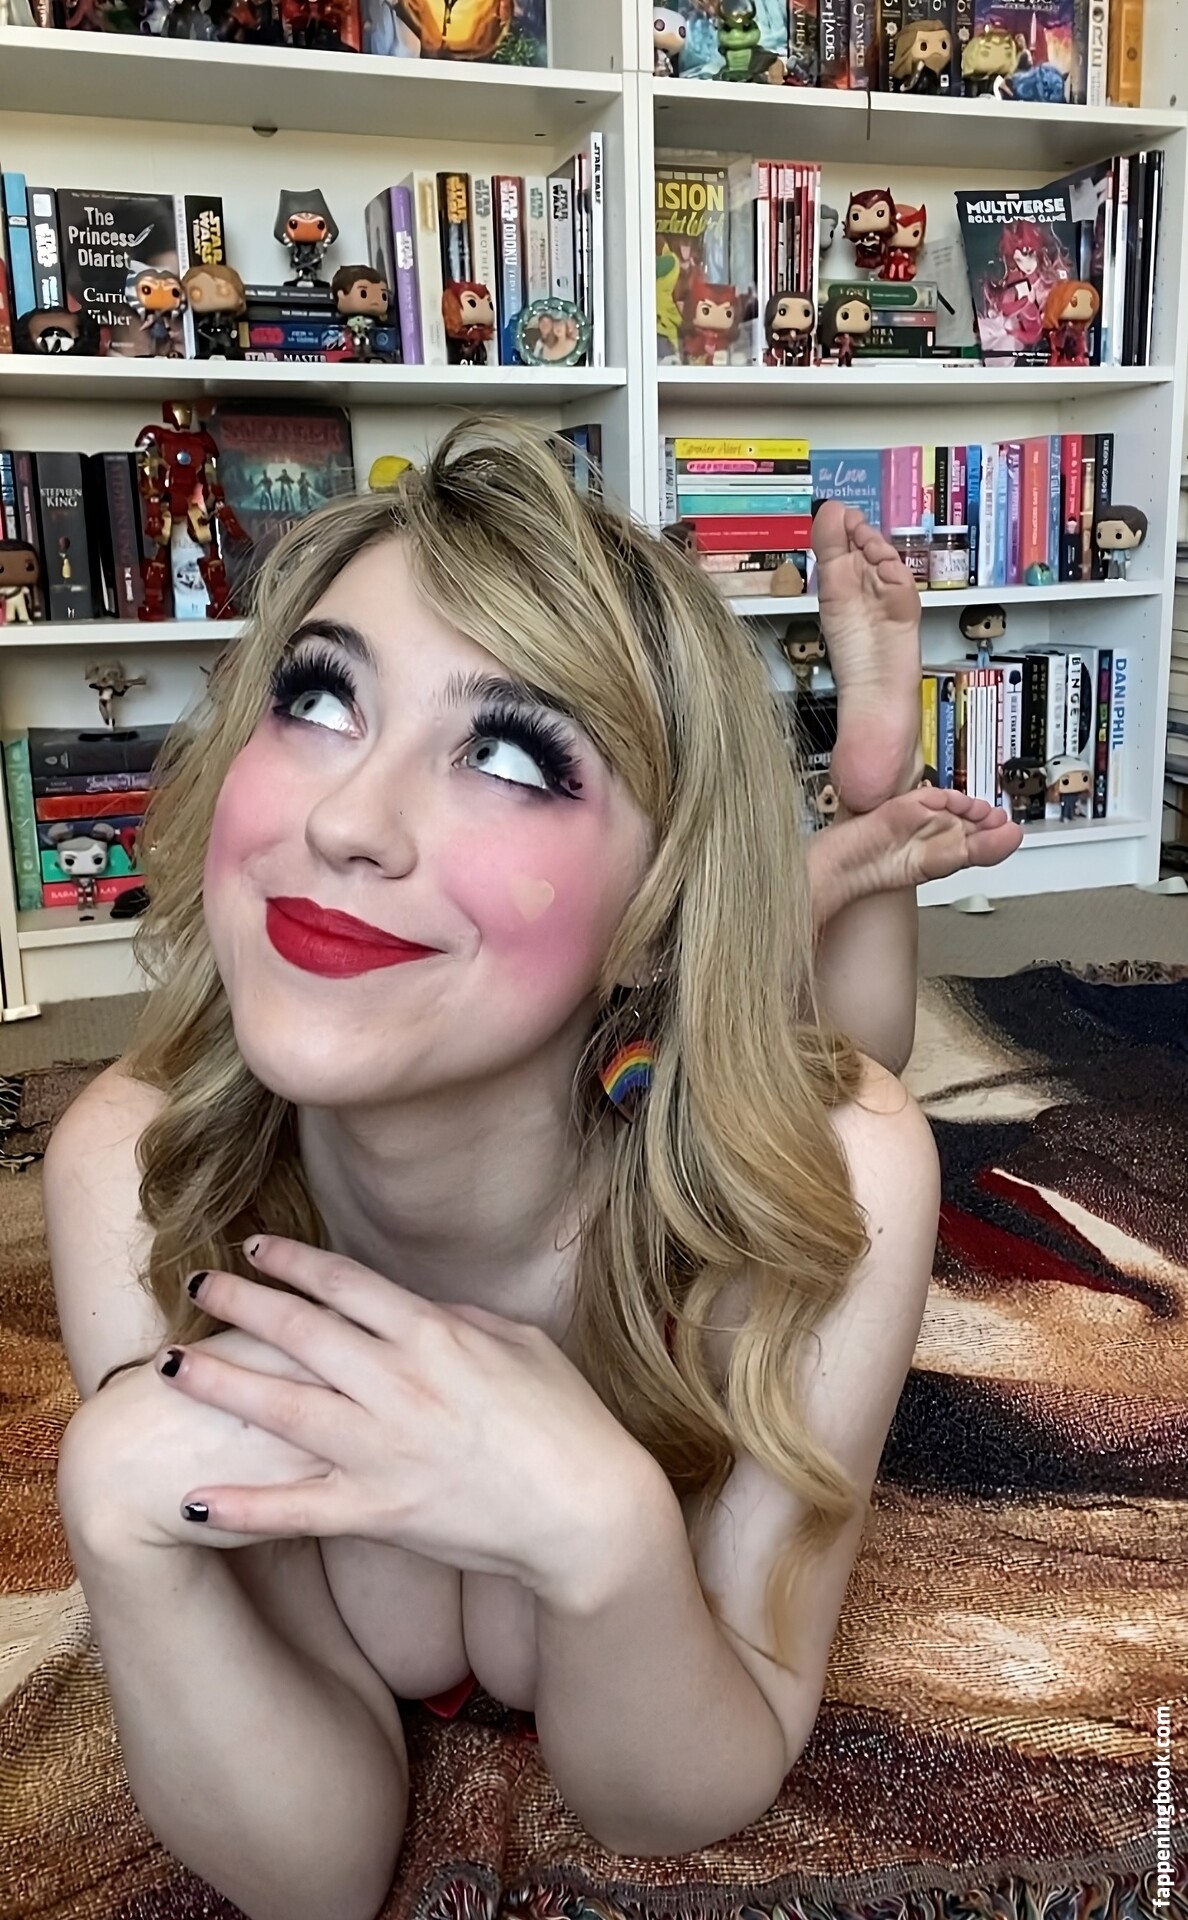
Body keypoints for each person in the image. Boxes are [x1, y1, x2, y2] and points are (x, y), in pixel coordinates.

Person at [46, 419, 1020, 1920]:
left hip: (675, 1063)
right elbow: (312, 1882)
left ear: (656, 897)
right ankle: (821, 865)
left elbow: (685, 1789)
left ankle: (846, 824)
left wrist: (610, 1541)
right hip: (631, 986)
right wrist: (118, 1523)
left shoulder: (836, 1179)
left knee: (843, 1080)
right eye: (318, 699)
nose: (344, 821)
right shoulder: (139, 1167)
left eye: (508, 756)